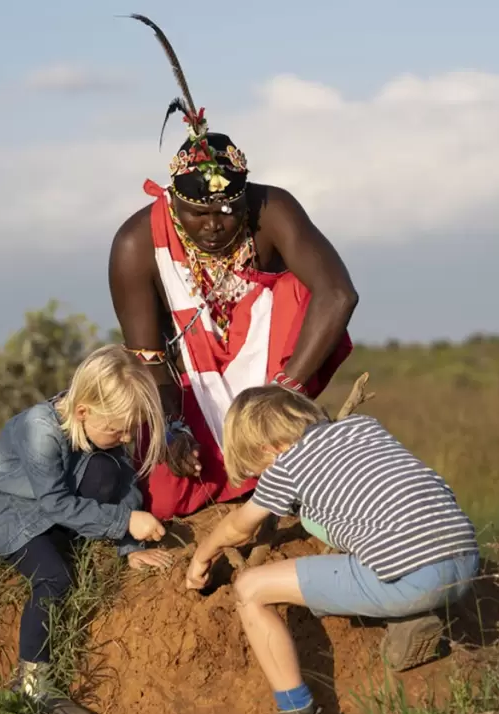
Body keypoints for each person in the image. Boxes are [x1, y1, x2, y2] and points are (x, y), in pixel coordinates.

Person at [110, 15, 357, 521]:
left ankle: (289, 443)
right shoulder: (137, 245)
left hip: (273, 375)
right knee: (166, 496)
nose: (214, 226)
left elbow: (338, 294)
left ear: (245, 200)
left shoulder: (272, 209)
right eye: (196, 214)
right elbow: (148, 358)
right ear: (171, 201)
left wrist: (281, 397)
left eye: (227, 212)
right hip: (190, 386)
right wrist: (173, 427)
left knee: (299, 291)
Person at [185, 386, 481, 714]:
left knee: (249, 590)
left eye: (258, 467)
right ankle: (411, 615)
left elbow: (239, 528)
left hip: (413, 577)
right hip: (465, 561)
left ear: (267, 449)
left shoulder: (286, 464)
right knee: (352, 525)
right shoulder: (363, 427)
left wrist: (202, 556)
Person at [0, 344, 173, 714]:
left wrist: (130, 546)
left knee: (110, 469)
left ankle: (70, 541)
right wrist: (124, 522)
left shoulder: (100, 425)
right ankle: (33, 690)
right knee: (55, 578)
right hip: (11, 510)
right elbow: (56, 504)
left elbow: (125, 483)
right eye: (117, 429)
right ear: (83, 411)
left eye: (130, 428)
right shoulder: (39, 430)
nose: (125, 436)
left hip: (55, 500)